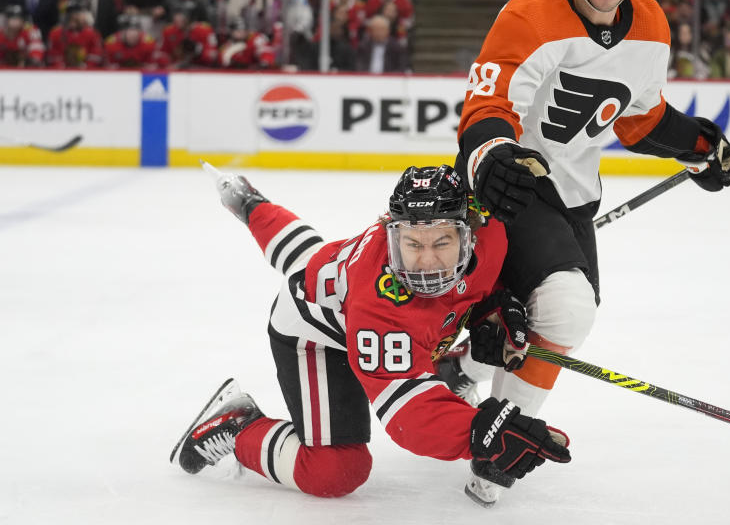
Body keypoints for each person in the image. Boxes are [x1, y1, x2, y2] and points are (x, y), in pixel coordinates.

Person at [453, 0, 730, 505]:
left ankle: (468, 376)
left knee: (555, 322)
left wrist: (698, 146)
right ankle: (502, 440)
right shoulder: (530, 14)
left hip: (575, 197)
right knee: (566, 308)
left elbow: (637, 121)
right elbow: (488, 106)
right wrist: (490, 157)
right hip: (514, 187)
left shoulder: (652, 23)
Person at [170, 165, 571, 504]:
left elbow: (313, 255)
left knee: (314, 259)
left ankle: (250, 203)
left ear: (470, 234)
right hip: (318, 337)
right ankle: (238, 424)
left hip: (338, 276)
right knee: (336, 471)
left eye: (442, 243)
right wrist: (480, 435)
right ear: (392, 234)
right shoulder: (379, 306)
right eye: (411, 244)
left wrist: (494, 306)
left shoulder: (492, 236)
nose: (426, 263)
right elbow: (408, 416)